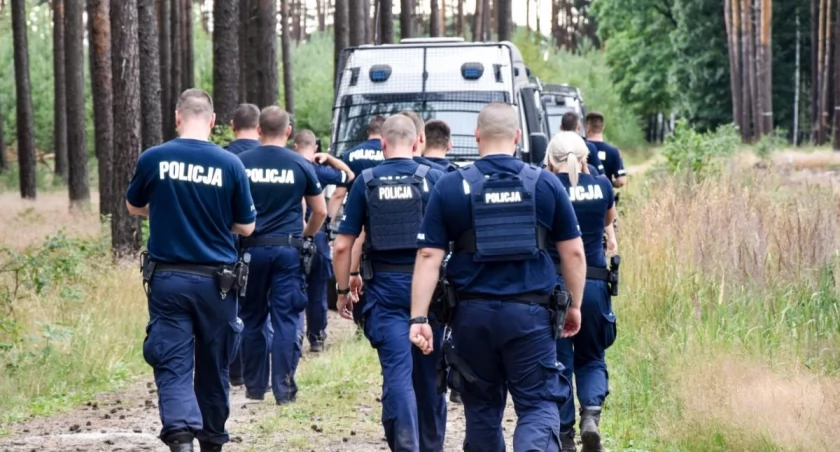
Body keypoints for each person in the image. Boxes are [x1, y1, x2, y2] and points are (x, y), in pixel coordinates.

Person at [409, 102, 587, 452]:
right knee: (538, 404)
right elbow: (574, 253)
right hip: (530, 318)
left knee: (482, 409)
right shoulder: (544, 184)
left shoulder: (451, 185)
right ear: (518, 136)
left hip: (471, 318)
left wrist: (419, 318)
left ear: (477, 135)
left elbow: (429, 255)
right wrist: (575, 306)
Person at [126, 89, 256, 452]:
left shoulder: (154, 158)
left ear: (177, 117)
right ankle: (212, 440)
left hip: (168, 280)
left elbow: (133, 206)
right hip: (217, 284)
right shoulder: (230, 164)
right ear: (212, 121)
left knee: (173, 361)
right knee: (214, 365)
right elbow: (247, 227)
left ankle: (181, 435)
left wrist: (166, 210)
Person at [333, 115, 447, 452]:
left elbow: (342, 245)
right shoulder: (435, 179)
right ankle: (431, 446)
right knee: (430, 375)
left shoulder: (366, 181)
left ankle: (405, 444)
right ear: (417, 142)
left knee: (397, 372)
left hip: (384, 289)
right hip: (430, 291)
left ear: (382, 143)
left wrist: (343, 290)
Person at [237, 107, 327, 405]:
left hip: (251, 249)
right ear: (288, 132)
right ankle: (284, 389)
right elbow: (320, 211)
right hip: (288, 251)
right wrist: (306, 235)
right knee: (286, 319)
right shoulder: (300, 163)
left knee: (251, 318)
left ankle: (254, 386)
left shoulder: (241, 162)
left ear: (258, 130)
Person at [544, 132, 618, 452]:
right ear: (585, 157)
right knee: (592, 356)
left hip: (555, 286)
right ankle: (590, 415)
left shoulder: (544, 187)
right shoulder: (602, 186)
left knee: (559, 360)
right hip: (595, 285)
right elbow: (608, 222)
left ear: (550, 158)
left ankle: (564, 435)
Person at [293, 129, 355, 352]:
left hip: (292, 234)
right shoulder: (319, 170)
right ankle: (317, 338)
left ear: (295, 146)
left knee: (293, 286)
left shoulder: (290, 166)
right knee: (317, 289)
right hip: (317, 235)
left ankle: (294, 336)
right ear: (315, 148)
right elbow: (349, 176)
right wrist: (330, 159)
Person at [328, 116, 387, 327]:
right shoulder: (389, 151)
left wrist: (328, 224)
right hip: (385, 220)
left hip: (357, 220)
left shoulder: (350, 154)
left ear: (367, 132)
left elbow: (338, 193)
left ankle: (360, 317)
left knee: (356, 267)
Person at [223, 103, 263, 388]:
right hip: (264, 242)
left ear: (232, 126)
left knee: (230, 309)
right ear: (259, 128)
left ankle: (234, 370)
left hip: (228, 245)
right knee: (260, 312)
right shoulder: (274, 156)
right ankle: (256, 374)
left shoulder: (222, 157)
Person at [585, 112, 626, 188]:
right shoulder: (613, 151)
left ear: (587, 127)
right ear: (603, 127)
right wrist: (609, 184)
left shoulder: (581, 148)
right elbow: (621, 181)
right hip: (605, 193)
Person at [560, 111, 603, 176]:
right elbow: (601, 175)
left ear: (561, 127)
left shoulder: (554, 147)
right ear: (579, 127)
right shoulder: (588, 147)